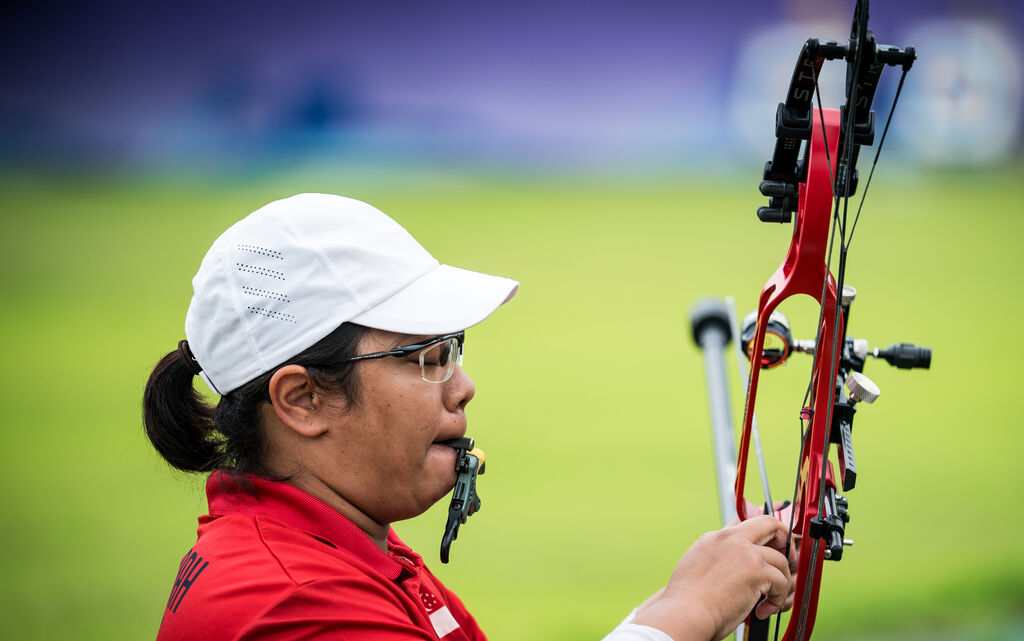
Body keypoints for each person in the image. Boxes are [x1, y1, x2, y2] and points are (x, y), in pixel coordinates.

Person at [143, 193, 794, 641]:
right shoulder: (293, 602)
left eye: (454, 351)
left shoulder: (344, 545)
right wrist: (689, 610)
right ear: (302, 400)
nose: (464, 387)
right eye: (426, 357)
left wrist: (696, 593)